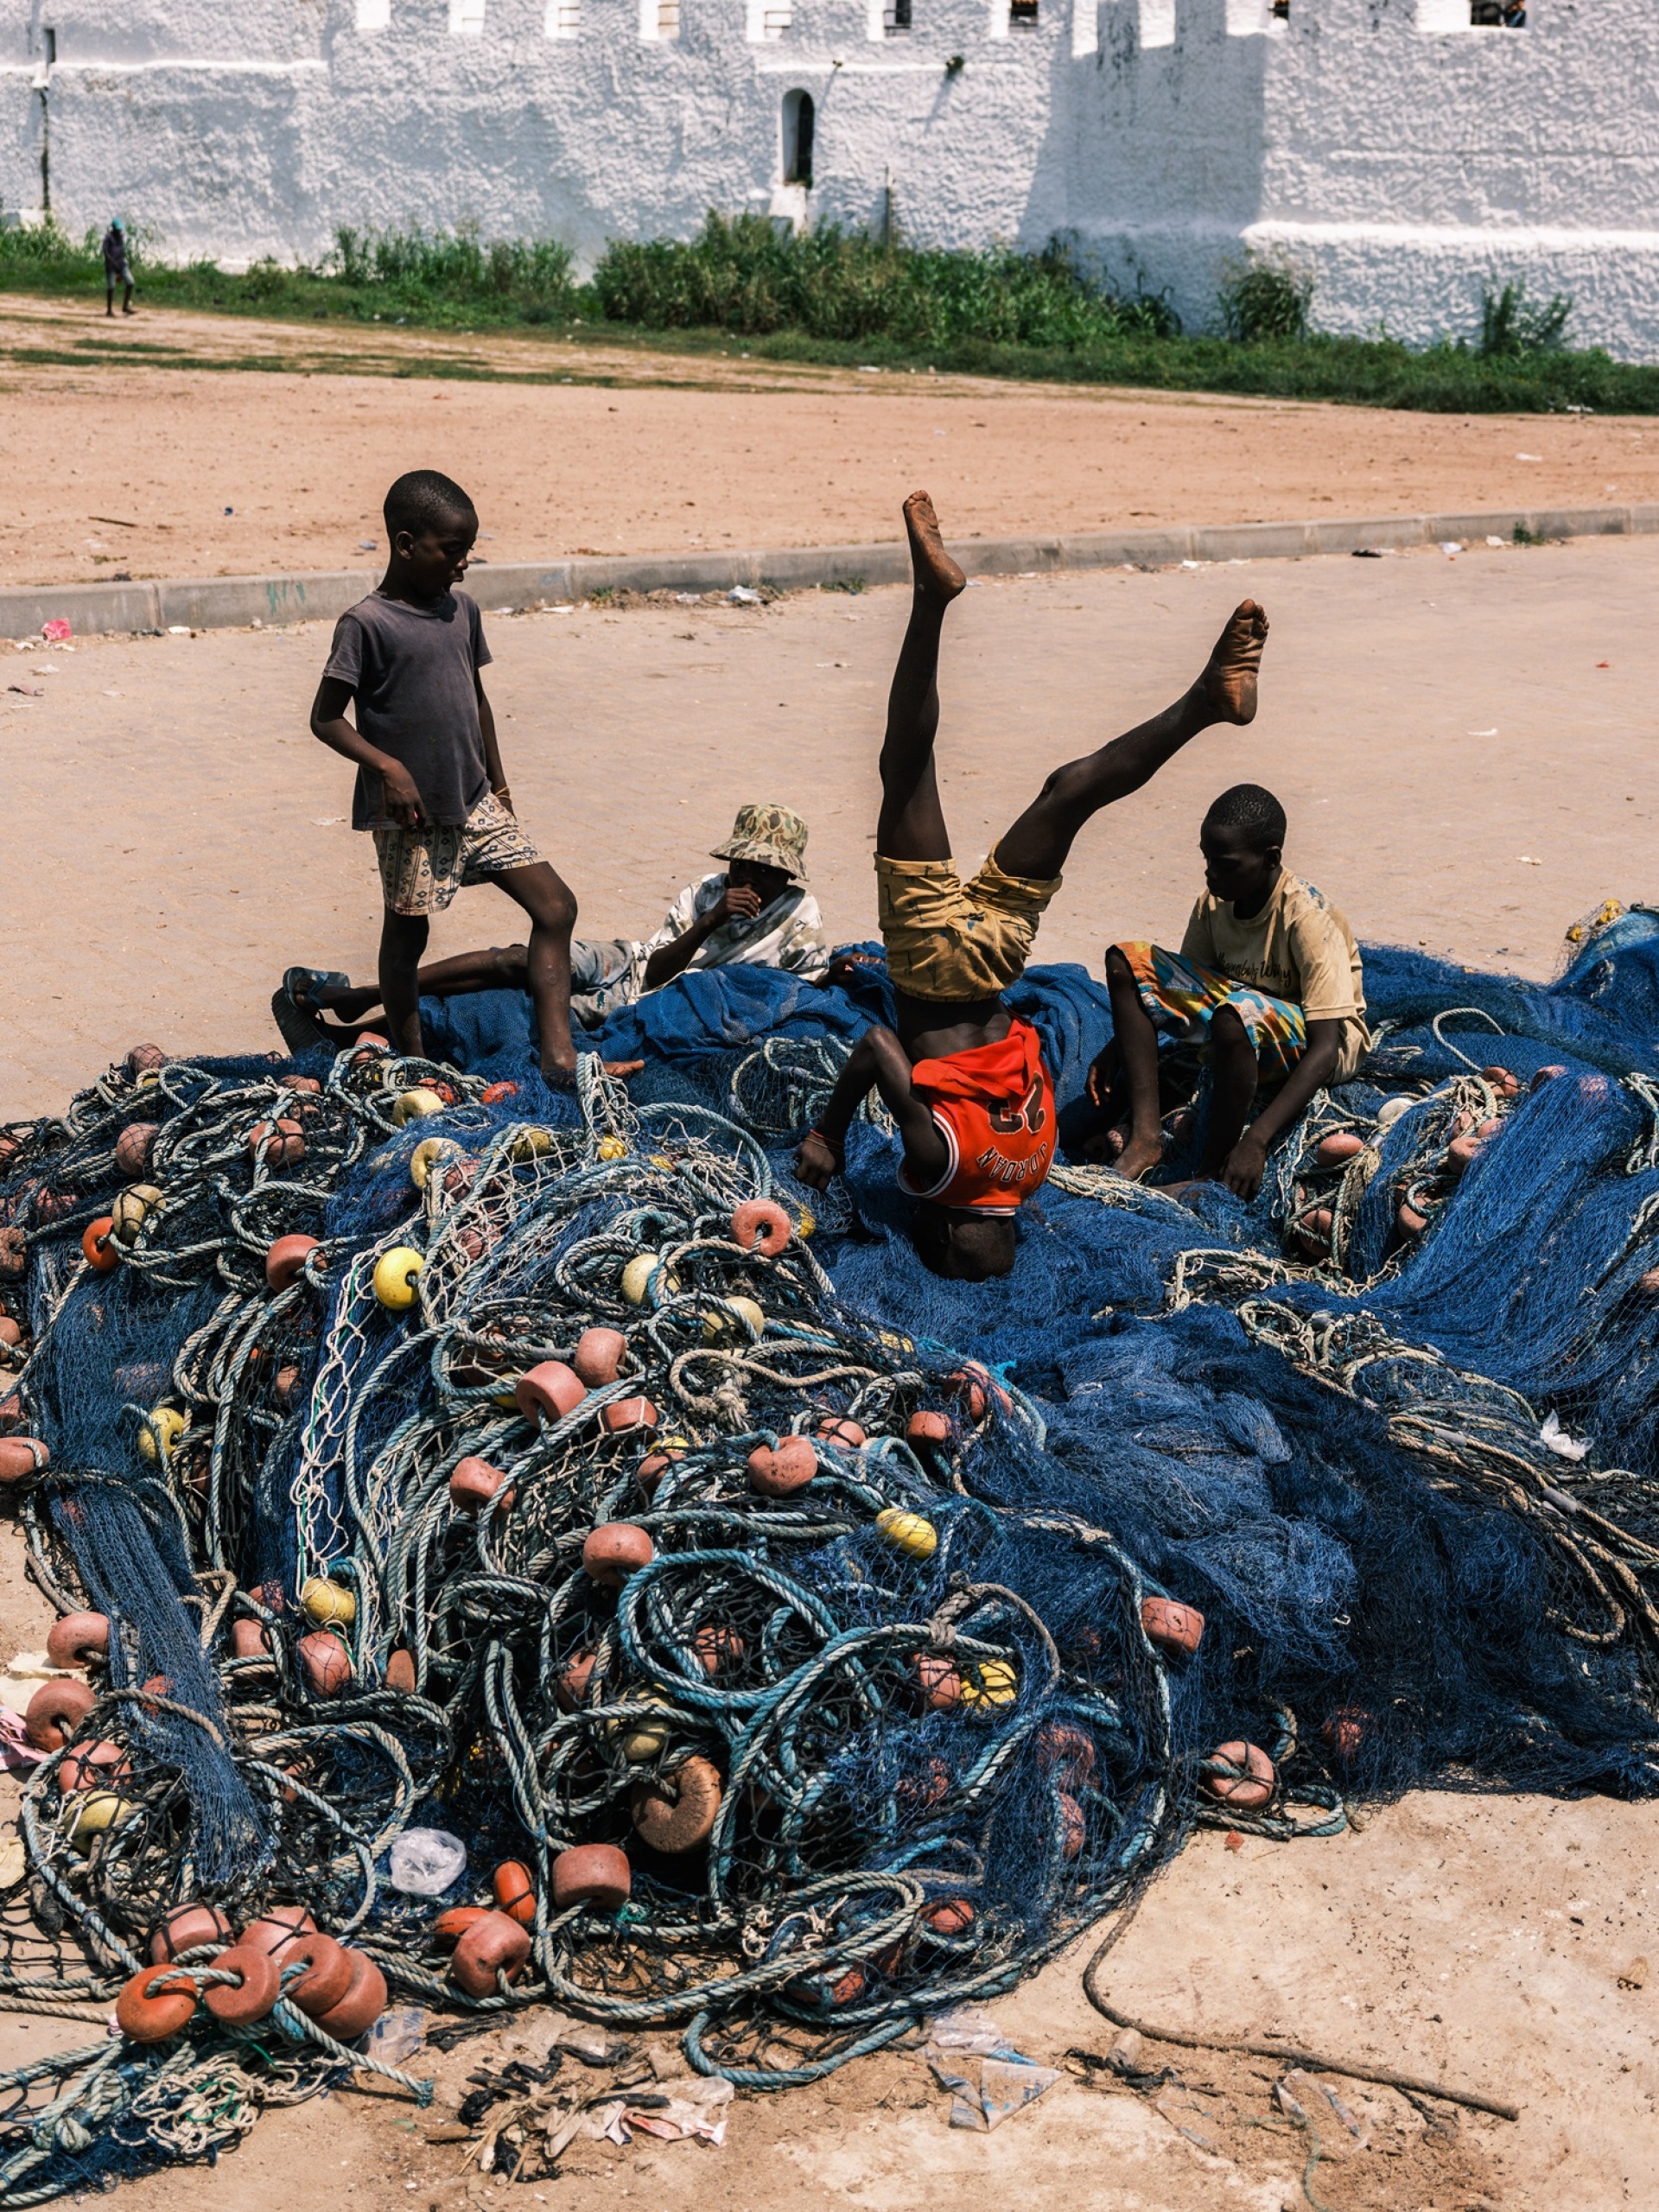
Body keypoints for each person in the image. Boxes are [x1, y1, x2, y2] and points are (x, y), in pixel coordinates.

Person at [791, 488, 1268, 1281]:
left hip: (997, 960)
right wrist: (828, 1137)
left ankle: (1203, 704)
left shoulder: (1037, 1161)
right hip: (934, 968)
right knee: (906, 769)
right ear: (942, 1232)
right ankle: (930, 601)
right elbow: (878, 1046)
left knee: (1068, 793)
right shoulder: (945, 1168)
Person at [302, 468, 580, 1083]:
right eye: (451, 551)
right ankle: (413, 1060)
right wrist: (388, 767)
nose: (462, 565)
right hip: (411, 814)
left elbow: (476, 700)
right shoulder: (366, 624)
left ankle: (559, 1058)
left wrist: (501, 786)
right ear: (405, 545)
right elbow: (325, 719)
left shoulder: (463, 611)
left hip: (475, 797)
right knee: (408, 937)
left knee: (556, 907)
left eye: (467, 552)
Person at [275, 803, 873, 1045]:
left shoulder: (800, 916)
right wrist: (710, 921)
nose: (752, 877)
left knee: (513, 1002)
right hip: (636, 963)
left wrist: (840, 975)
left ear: (787, 878)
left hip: (655, 1004)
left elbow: (803, 989)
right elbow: (657, 963)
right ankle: (362, 997)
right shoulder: (707, 893)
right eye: (745, 863)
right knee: (520, 958)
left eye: (766, 871)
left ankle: (358, 1032)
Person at [1089, 784, 1369, 1198]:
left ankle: (1209, 1173)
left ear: (1270, 859)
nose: (1210, 874)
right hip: (1240, 1017)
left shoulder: (1307, 917)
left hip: (1320, 1041)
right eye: (1206, 861)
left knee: (1235, 1014)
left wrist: (1254, 1141)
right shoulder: (1214, 903)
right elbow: (1182, 987)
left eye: (1225, 865)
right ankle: (1146, 1139)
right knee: (1127, 962)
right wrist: (1117, 1049)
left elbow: (1327, 1046)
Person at [101, 219, 133, 317]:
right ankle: (109, 310)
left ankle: (125, 306)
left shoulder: (121, 237)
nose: (119, 231)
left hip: (121, 264)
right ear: (113, 228)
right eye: (117, 229)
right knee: (111, 287)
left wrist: (122, 266)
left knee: (130, 282)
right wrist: (114, 264)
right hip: (111, 265)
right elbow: (106, 253)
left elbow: (122, 251)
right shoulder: (108, 237)